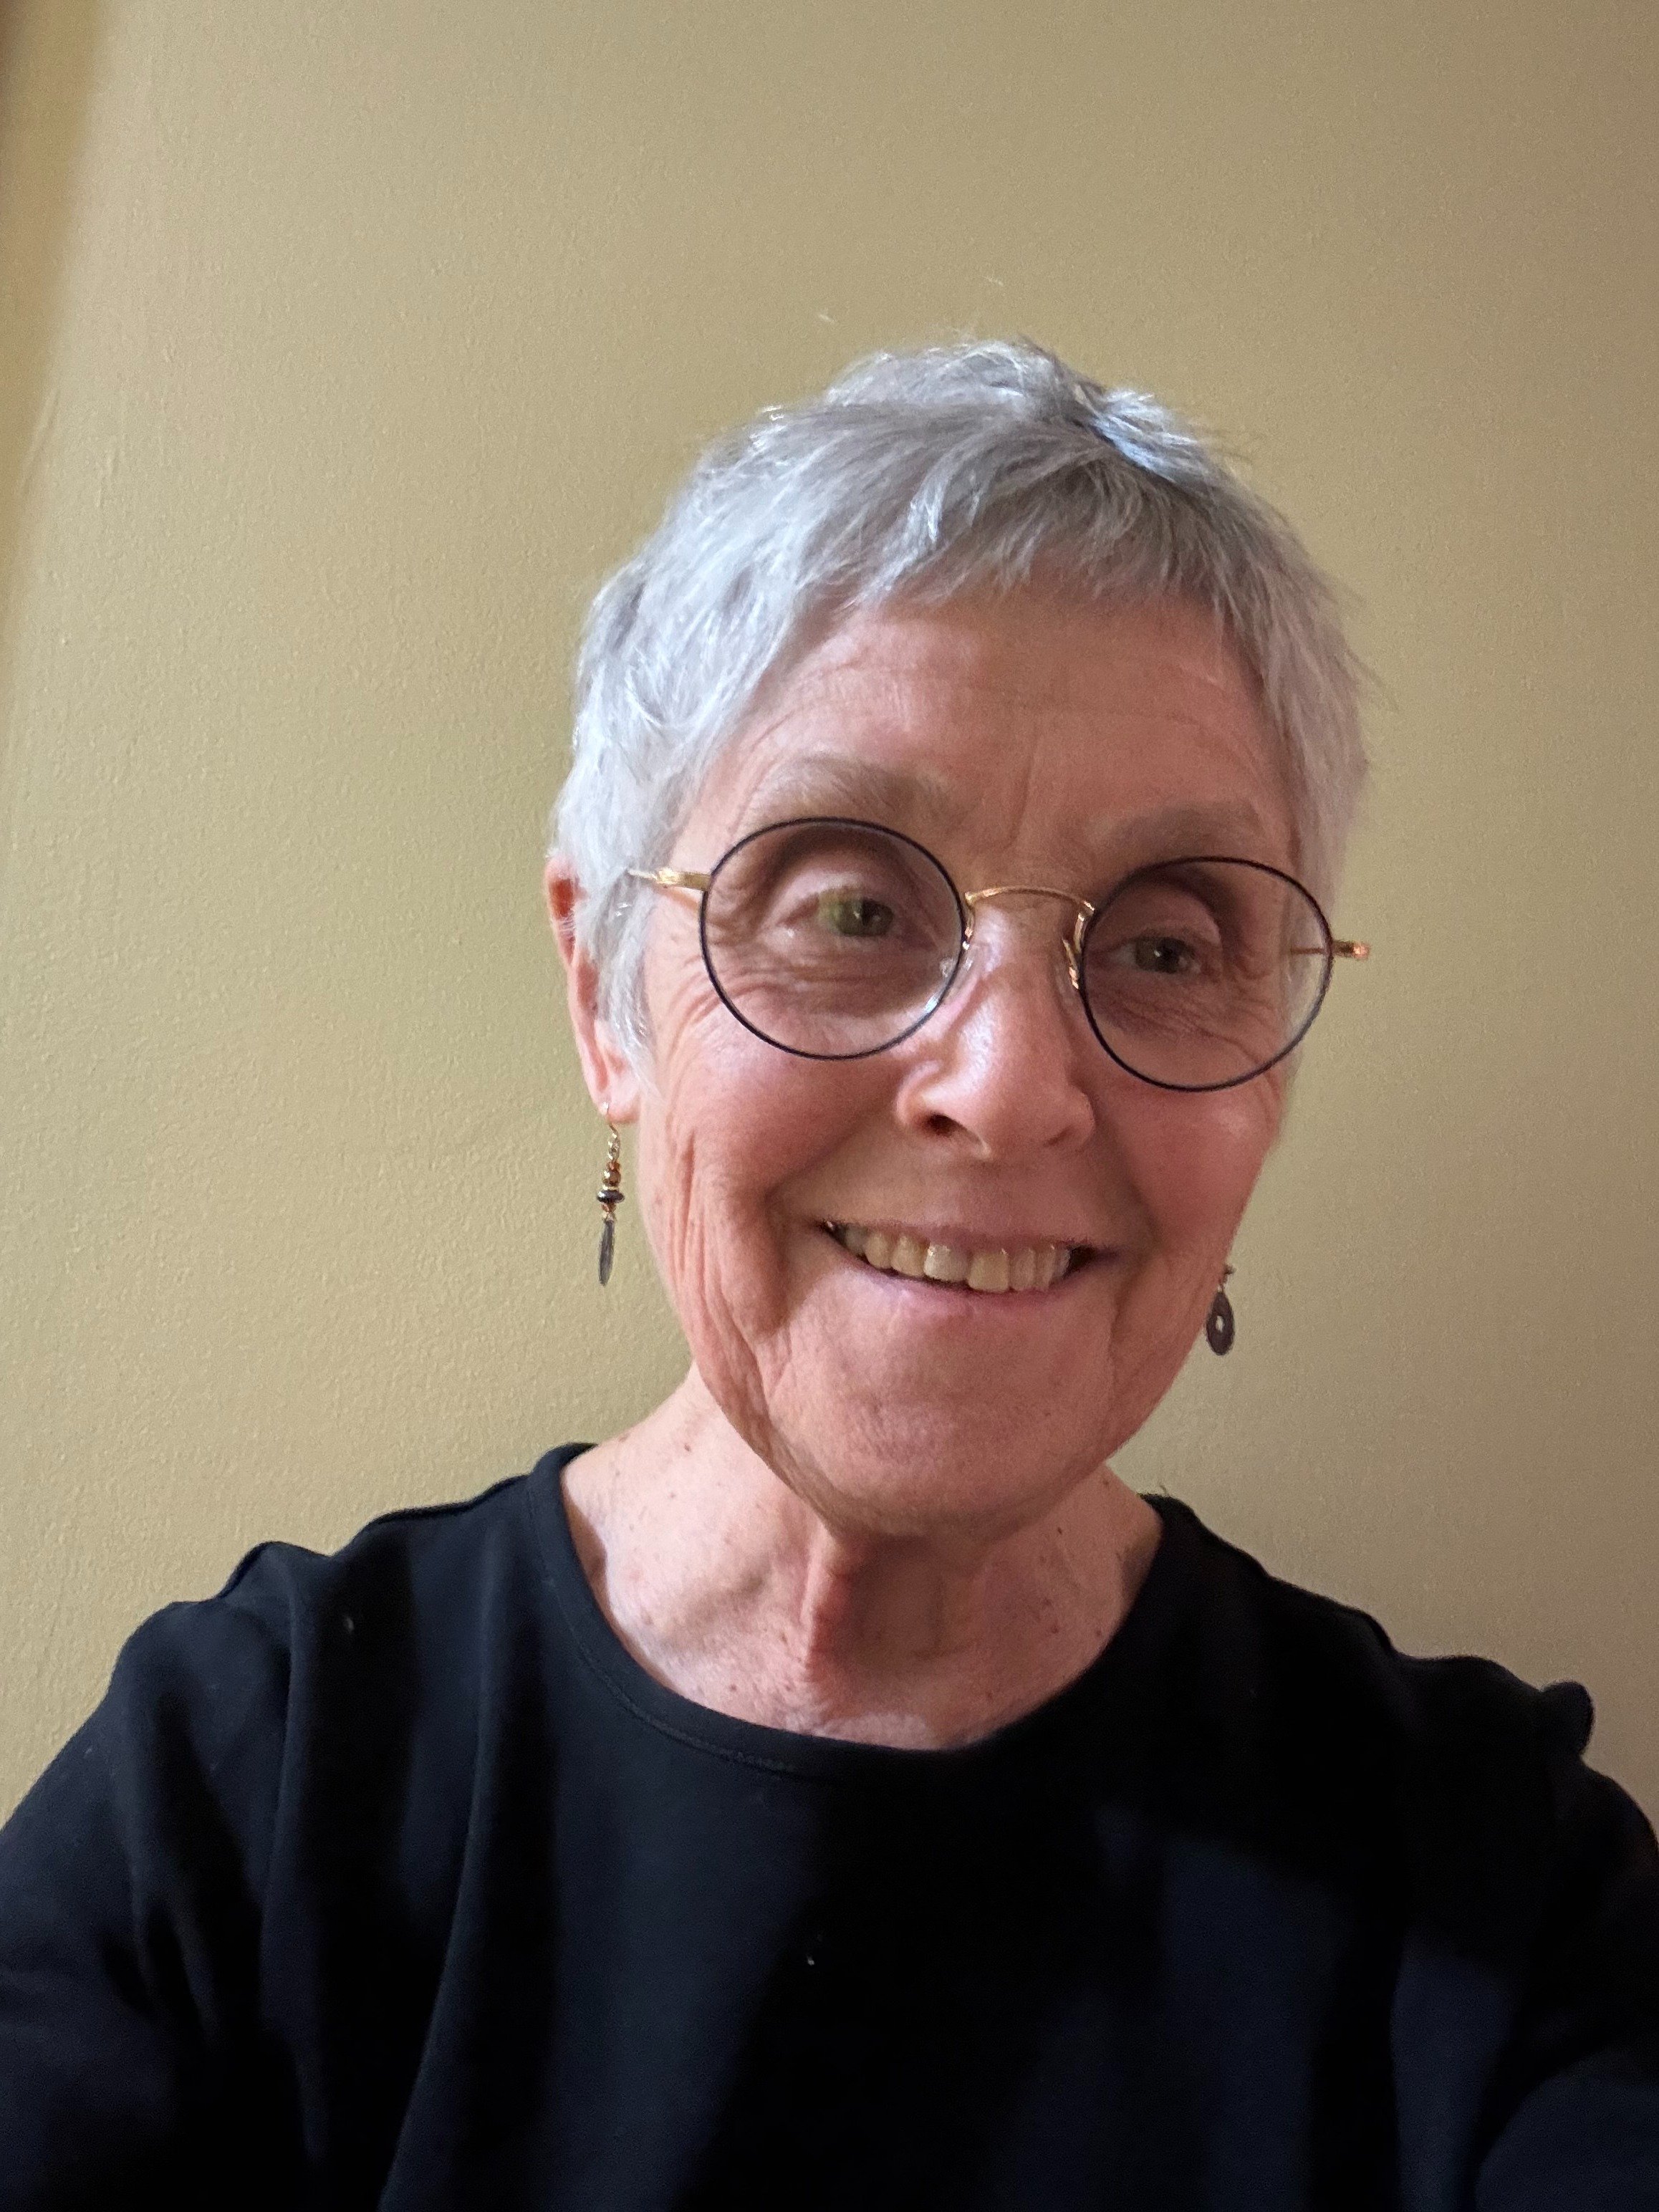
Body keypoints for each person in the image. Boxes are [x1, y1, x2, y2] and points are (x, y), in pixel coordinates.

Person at [1, 340, 1655, 2210]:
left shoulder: (1497, 1893)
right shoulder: (241, 1800)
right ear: (602, 993)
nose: (1011, 1082)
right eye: (853, 907)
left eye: (1173, 944)